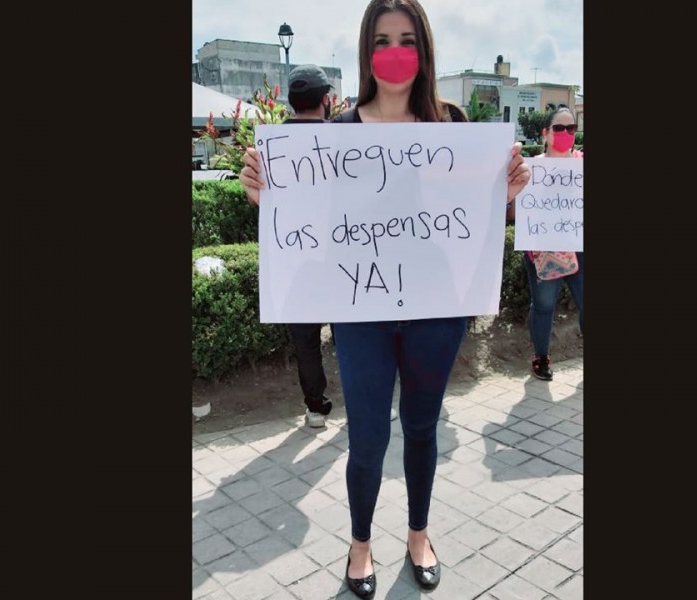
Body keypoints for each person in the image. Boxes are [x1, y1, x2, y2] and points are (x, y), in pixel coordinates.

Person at [240, 1, 530, 596]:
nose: (393, 52)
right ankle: (361, 543)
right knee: (368, 437)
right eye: (380, 40)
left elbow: (474, 219)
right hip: (362, 314)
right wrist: (267, 197)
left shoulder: (452, 125)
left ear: (423, 48)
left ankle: (419, 534)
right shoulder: (337, 133)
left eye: (405, 39)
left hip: (436, 310)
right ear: (365, 52)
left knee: (421, 428)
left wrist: (511, 194)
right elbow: (312, 221)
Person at [251, 63, 336, 427]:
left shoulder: (270, 146)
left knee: (306, 340)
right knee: (352, 334)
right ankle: (362, 402)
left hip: (295, 258)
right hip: (343, 254)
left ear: (290, 102)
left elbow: (261, 204)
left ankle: (315, 406)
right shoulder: (345, 140)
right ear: (326, 100)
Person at [506, 106, 584, 381]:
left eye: (570, 129)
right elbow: (514, 214)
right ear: (546, 133)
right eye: (559, 128)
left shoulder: (583, 163)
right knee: (543, 305)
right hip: (543, 249)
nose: (565, 134)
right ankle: (541, 357)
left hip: (580, 247)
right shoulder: (530, 168)